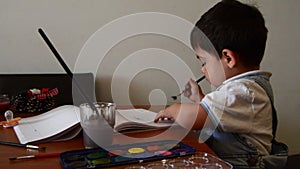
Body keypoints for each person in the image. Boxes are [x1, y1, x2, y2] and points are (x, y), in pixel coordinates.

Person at [154, 0, 288, 168]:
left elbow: (197, 117)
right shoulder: (246, 89)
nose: (203, 69)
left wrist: (173, 110)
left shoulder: (243, 91)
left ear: (228, 58)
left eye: (204, 62)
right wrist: (199, 98)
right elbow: (216, 117)